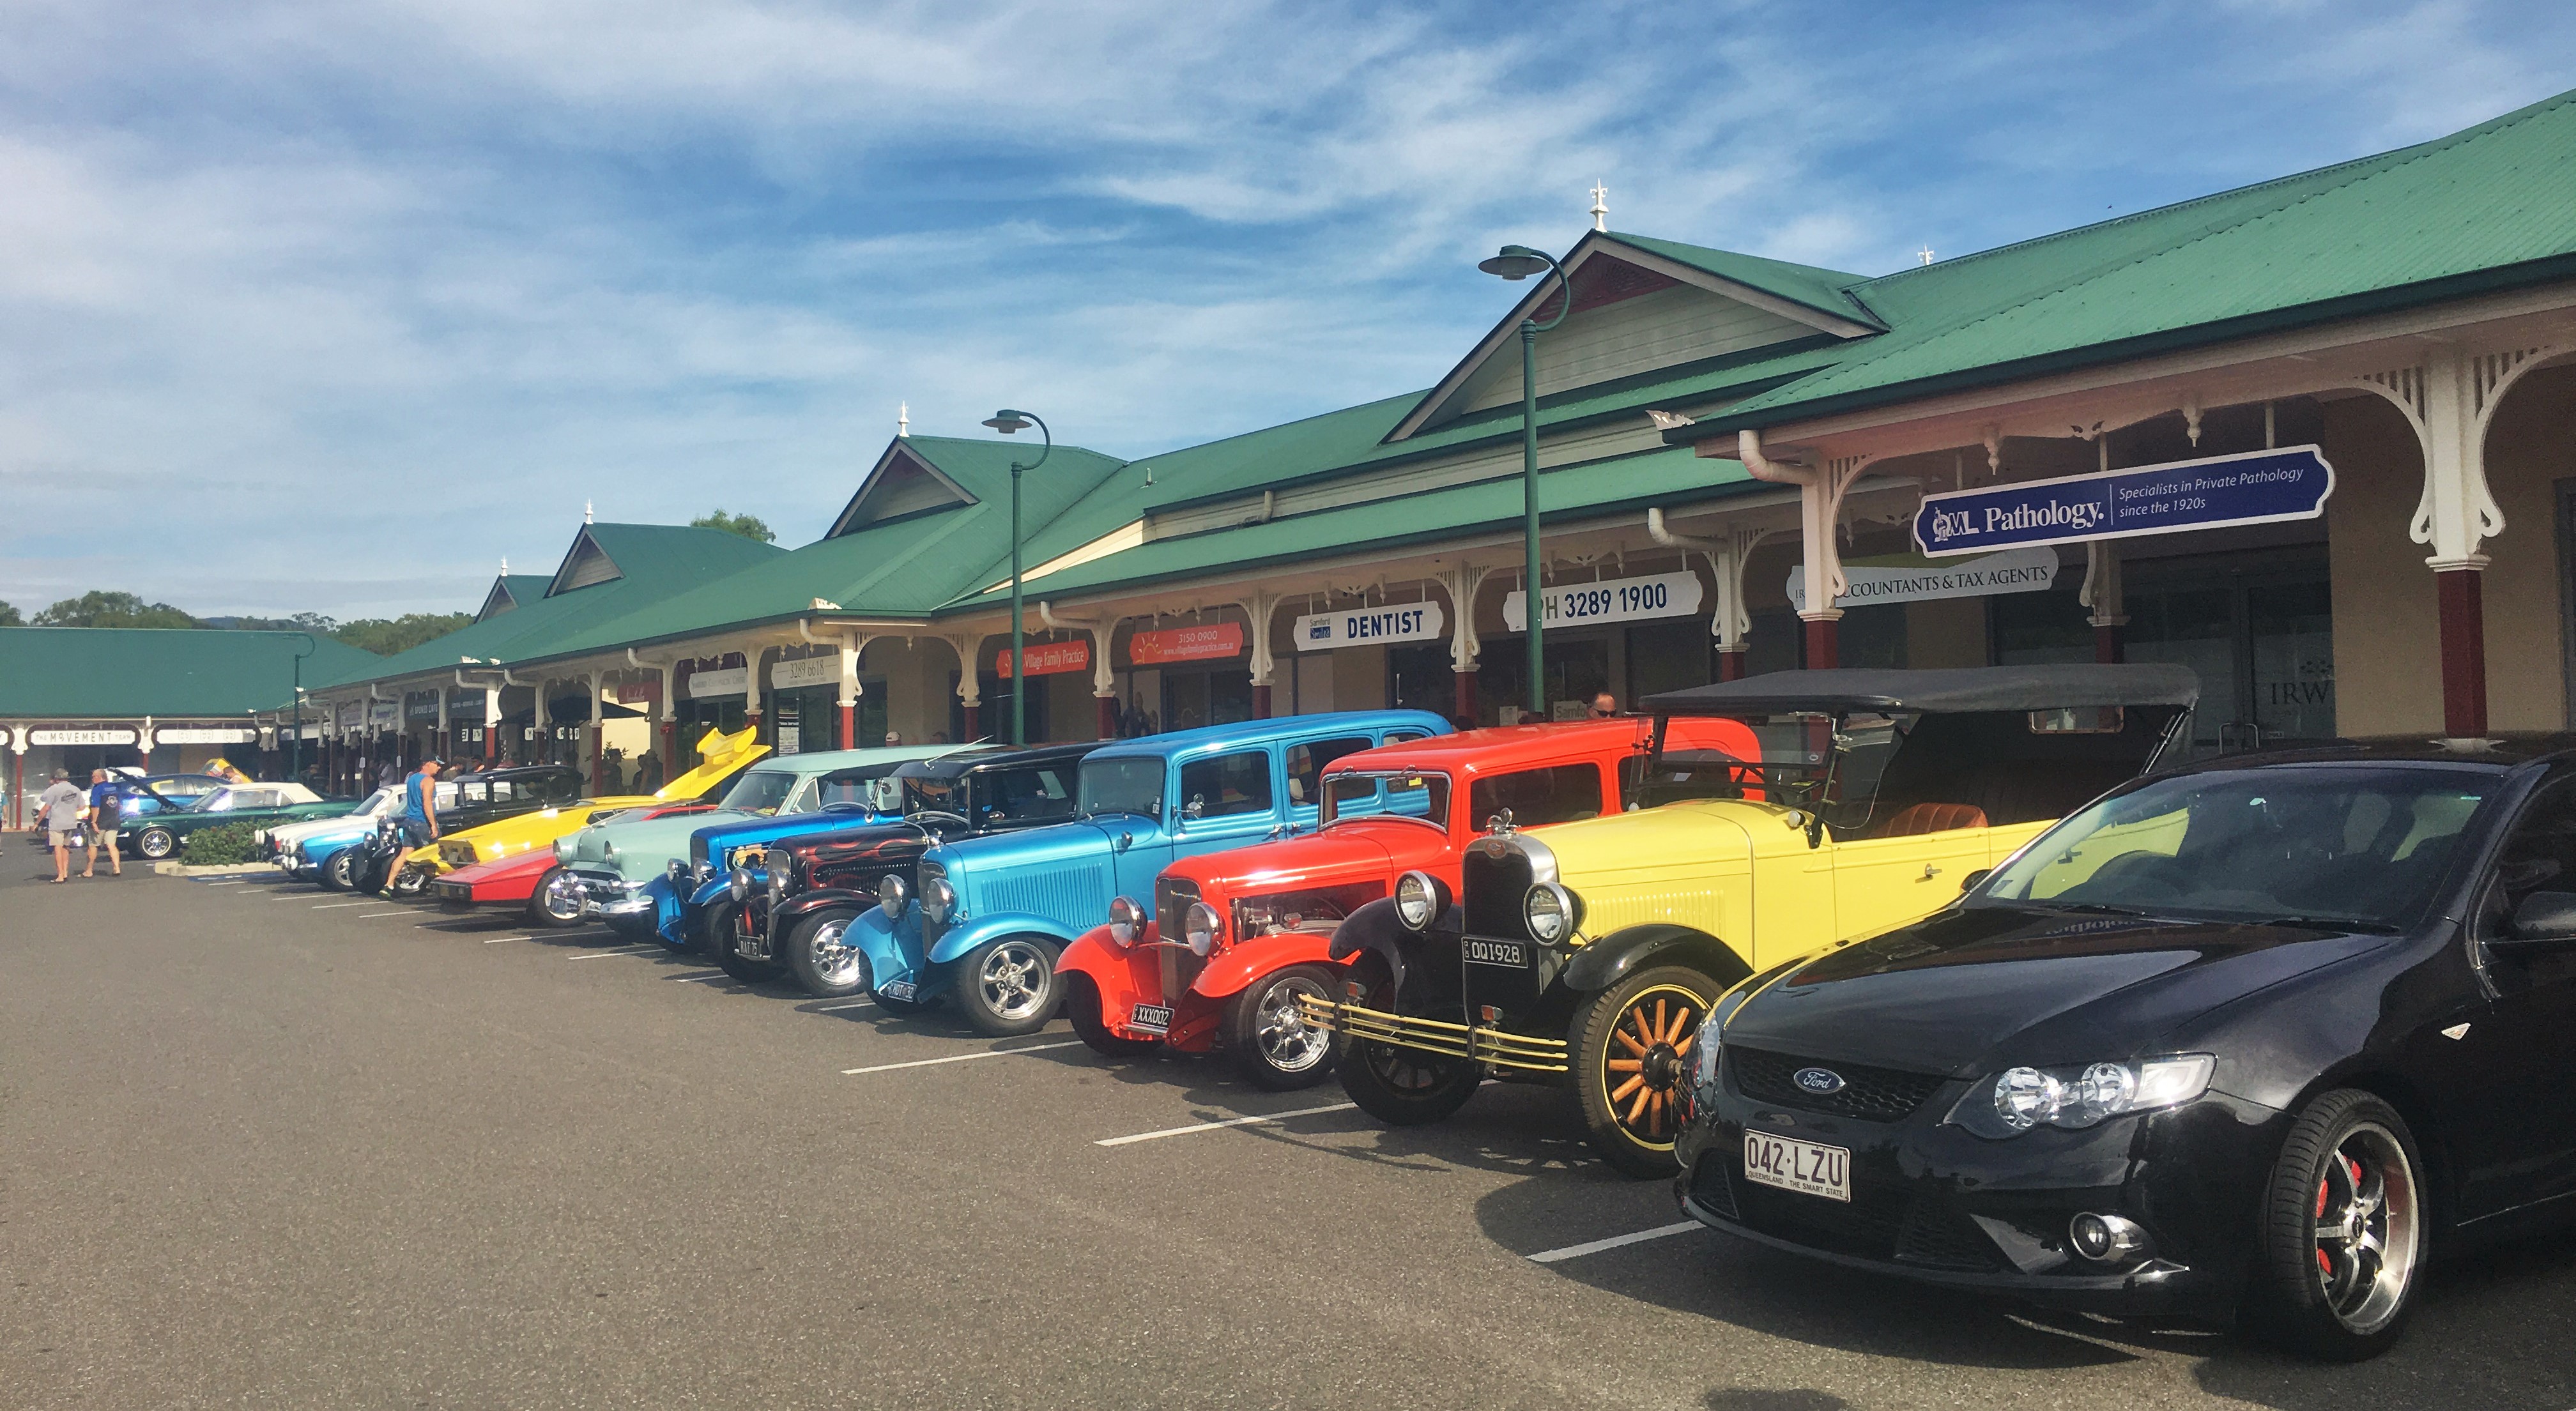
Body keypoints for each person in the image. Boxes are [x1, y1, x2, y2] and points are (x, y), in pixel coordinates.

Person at [40, 768, 88, 883]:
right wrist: (70, 809)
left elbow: (46, 806)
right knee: (66, 848)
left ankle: (60, 875)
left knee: (57, 848)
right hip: (70, 822)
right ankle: (65, 873)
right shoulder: (76, 789)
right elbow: (82, 807)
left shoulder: (54, 789)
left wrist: (37, 822)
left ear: (56, 778)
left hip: (57, 823)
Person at [84, 768, 125, 878]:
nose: (92, 779)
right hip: (114, 820)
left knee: (93, 845)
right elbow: (120, 805)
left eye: (93, 777)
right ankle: (117, 868)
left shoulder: (97, 789)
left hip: (101, 821)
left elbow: (95, 807)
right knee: (111, 845)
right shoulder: (114, 788)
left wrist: (94, 821)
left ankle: (89, 870)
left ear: (100, 777)